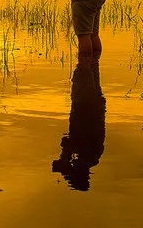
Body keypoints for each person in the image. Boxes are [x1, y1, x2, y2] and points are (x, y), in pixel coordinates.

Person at [51, 60, 106, 191]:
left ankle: (88, 54)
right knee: (86, 67)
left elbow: (68, 142)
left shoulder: (91, 157)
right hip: (86, 107)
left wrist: (65, 160)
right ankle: (87, 53)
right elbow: (68, 142)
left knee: (90, 65)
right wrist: (65, 160)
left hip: (91, 107)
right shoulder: (88, 156)